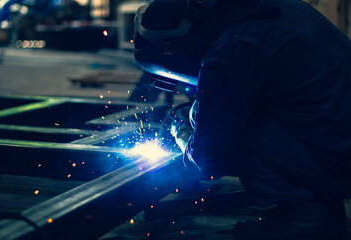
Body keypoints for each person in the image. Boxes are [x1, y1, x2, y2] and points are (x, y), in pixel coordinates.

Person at [133, 0, 351, 239]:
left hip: (340, 159)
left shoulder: (230, 49)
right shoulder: (262, 11)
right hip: (335, 139)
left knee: (226, 126)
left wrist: (182, 134)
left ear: (170, 50)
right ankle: (321, 213)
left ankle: (304, 217)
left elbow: (209, 162)